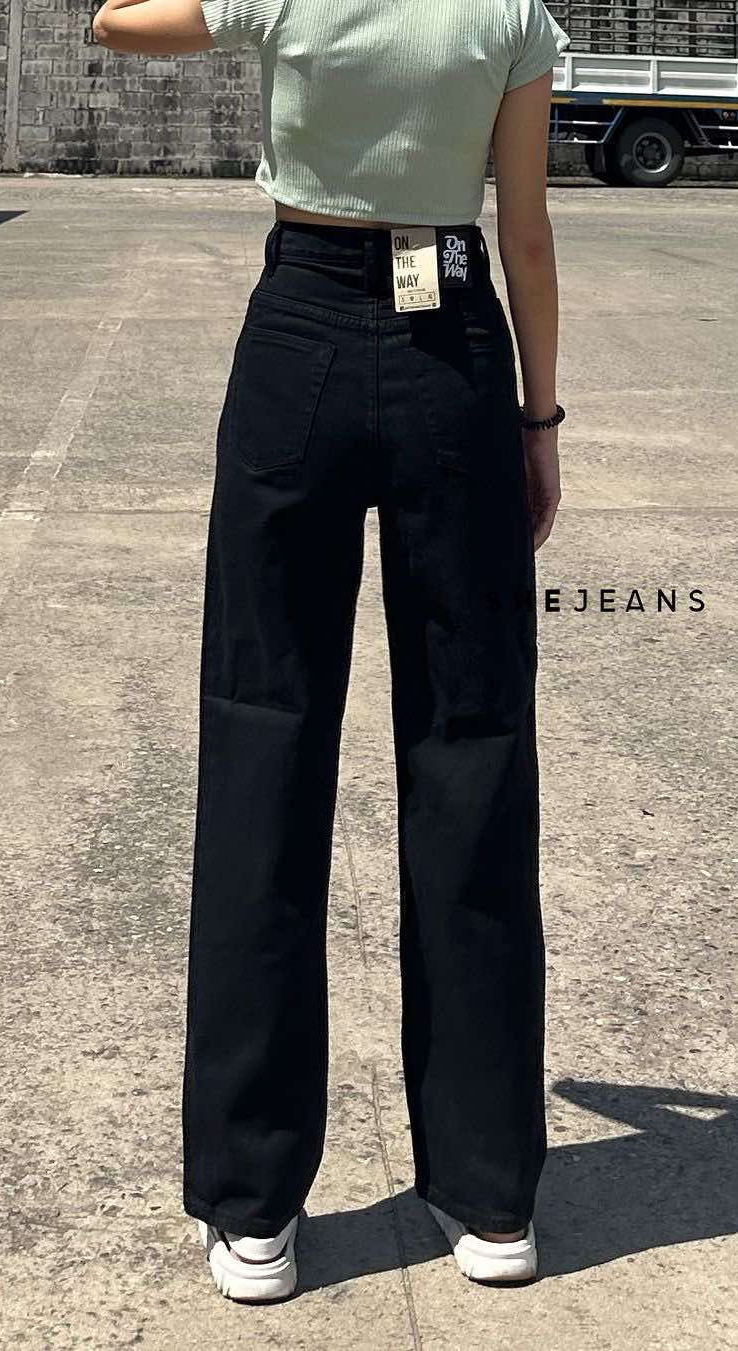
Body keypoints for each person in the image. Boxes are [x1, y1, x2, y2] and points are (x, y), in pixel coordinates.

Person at [92, 0, 569, 1303]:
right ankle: (489, 1196)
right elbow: (526, 230)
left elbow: (116, 22)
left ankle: (254, 1208)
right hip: (454, 350)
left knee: (265, 737)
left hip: (298, 334)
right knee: (473, 746)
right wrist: (537, 422)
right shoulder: (510, 13)